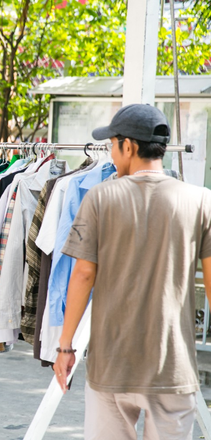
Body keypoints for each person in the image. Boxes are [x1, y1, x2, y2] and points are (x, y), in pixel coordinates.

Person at [53, 104, 211, 439]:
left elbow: (82, 275)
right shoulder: (202, 201)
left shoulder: (99, 198)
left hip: (112, 363)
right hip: (172, 366)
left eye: (112, 145)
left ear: (129, 146)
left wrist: (65, 347)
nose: (111, 154)